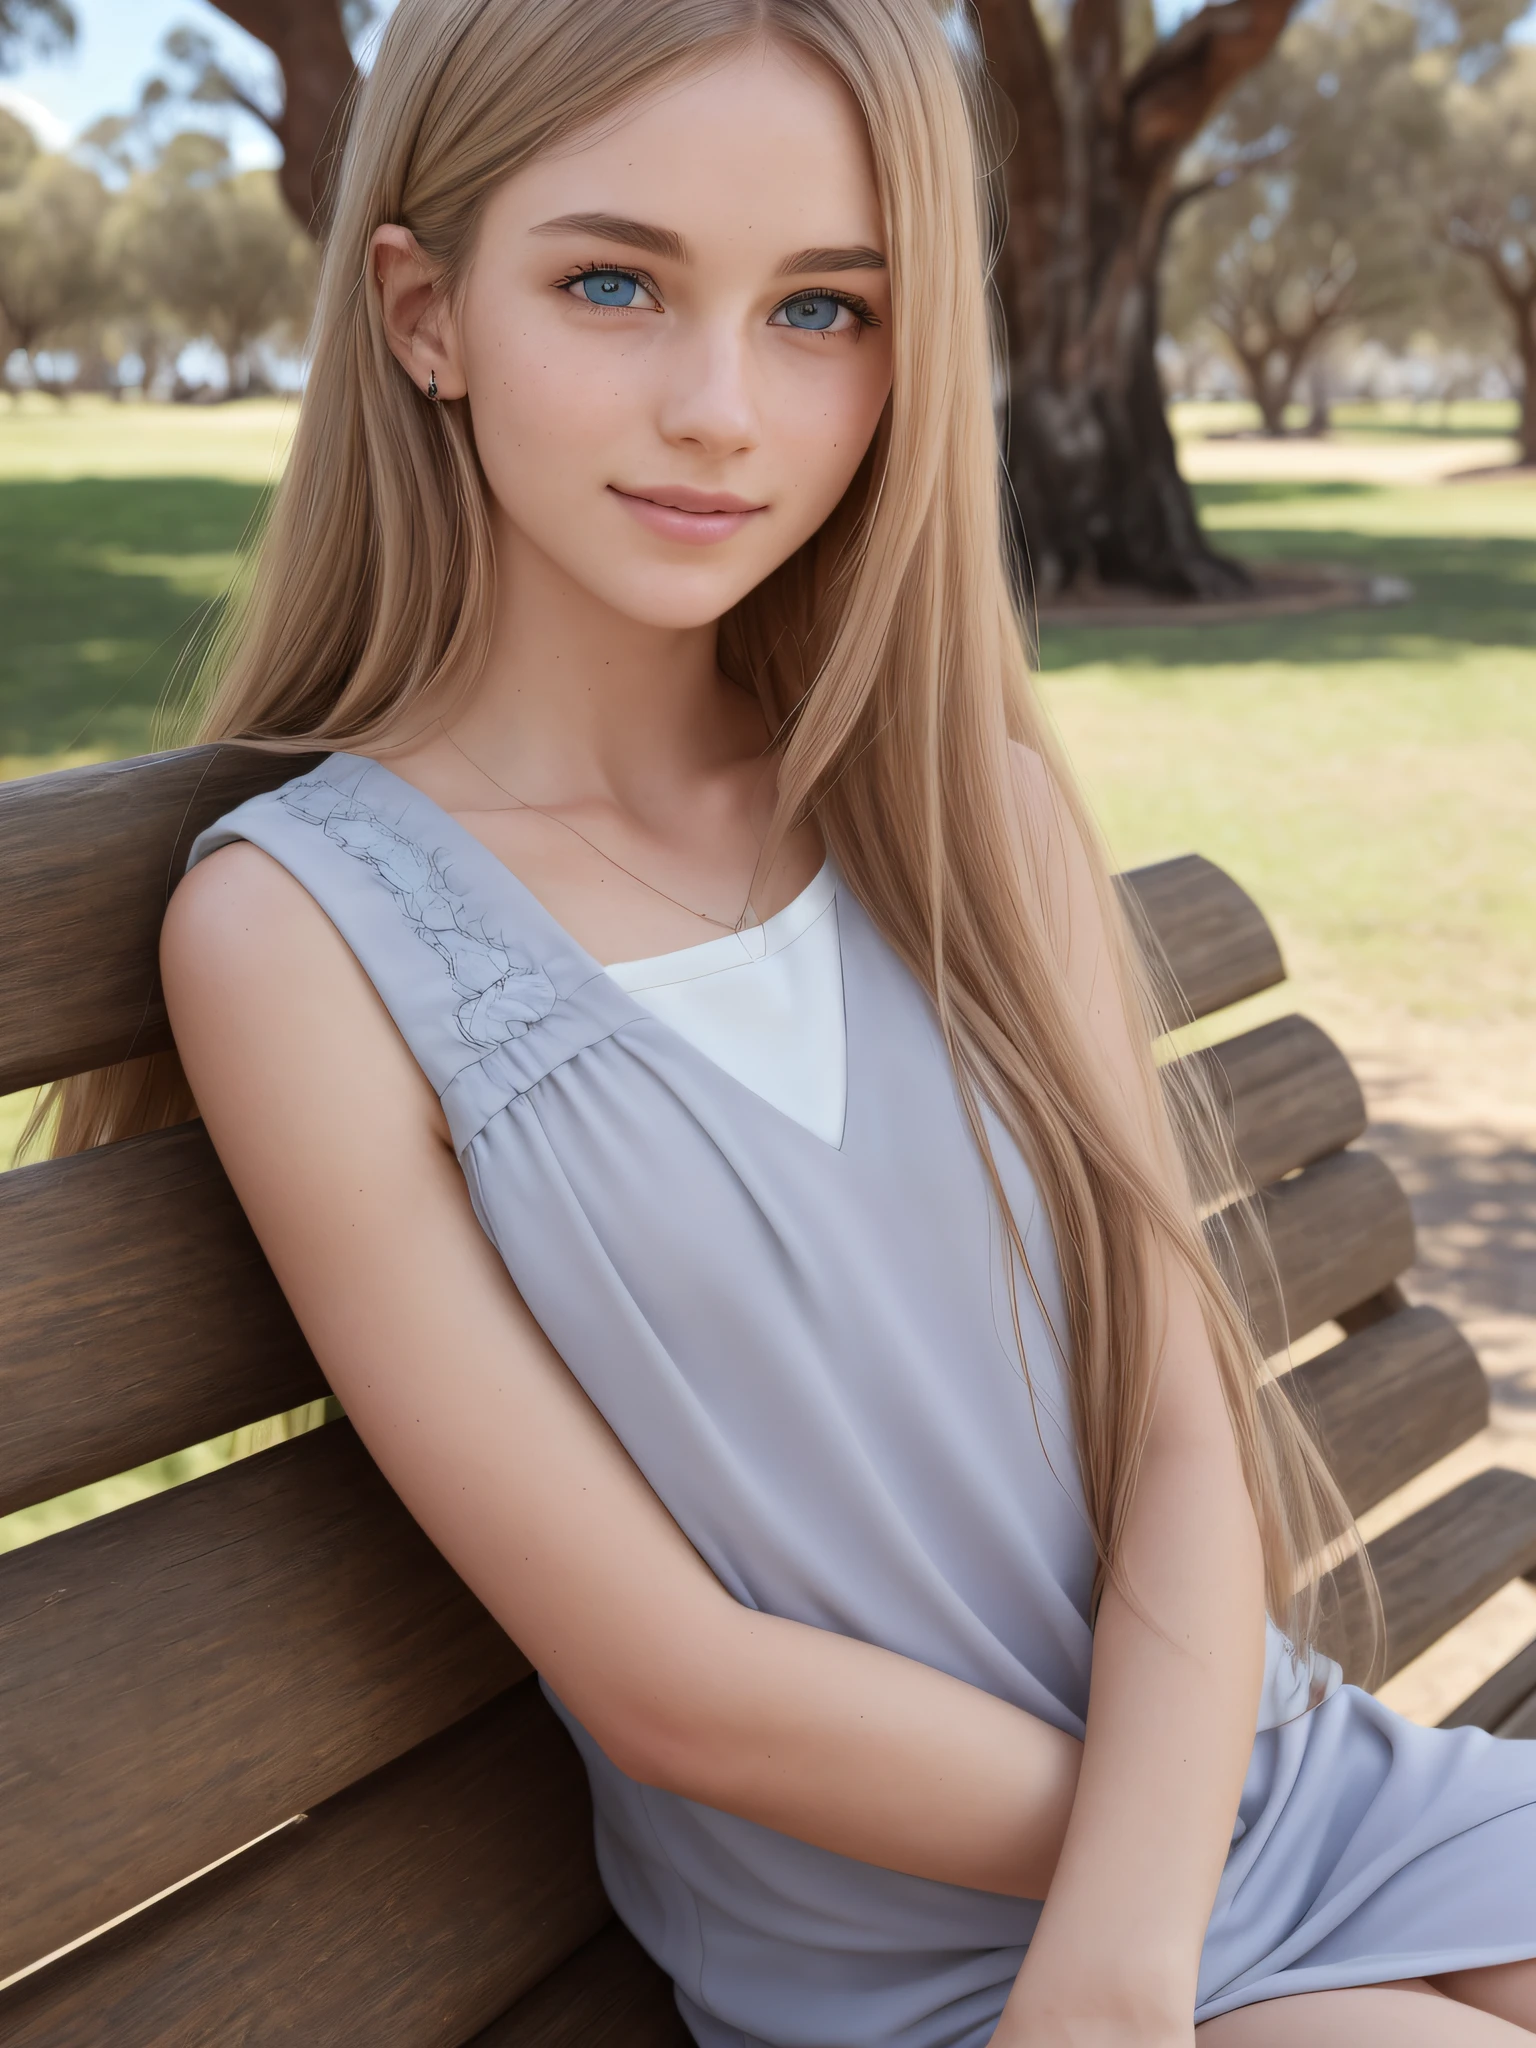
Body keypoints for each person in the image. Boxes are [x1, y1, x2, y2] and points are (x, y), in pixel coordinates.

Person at [88, 0, 1531, 2041]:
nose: (721, 408)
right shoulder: (303, 937)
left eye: (824, 312)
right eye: (613, 282)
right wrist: (1125, 1939)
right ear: (423, 312)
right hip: (920, 1960)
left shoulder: (970, 808)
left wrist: (1146, 1902)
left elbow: (1176, 1409)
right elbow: (677, 1679)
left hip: (1279, 1790)